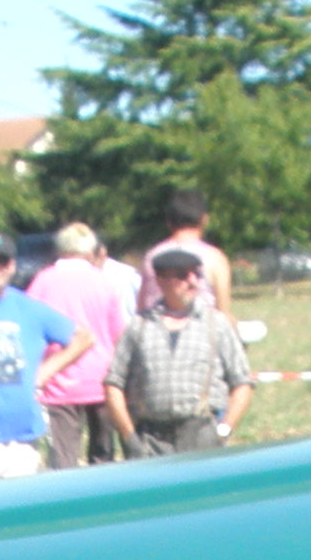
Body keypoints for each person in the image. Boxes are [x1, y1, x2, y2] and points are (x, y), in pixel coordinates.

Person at [0, 229, 87, 485]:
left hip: (21, 442)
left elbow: (83, 338)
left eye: (2, 260)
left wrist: (43, 374)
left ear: (12, 265)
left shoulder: (29, 308)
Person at [106, 248, 253, 455]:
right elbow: (114, 384)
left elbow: (243, 383)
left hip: (201, 434)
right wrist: (130, 437)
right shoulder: (138, 327)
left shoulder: (216, 324)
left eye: (197, 274)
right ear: (161, 280)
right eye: (183, 275)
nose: (193, 282)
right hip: (150, 438)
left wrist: (222, 431)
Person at [27, 222, 131, 467]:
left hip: (59, 381)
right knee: (102, 455)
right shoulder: (104, 282)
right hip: (101, 378)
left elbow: (30, 327)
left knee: (63, 461)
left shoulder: (43, 281)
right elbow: (119, 334)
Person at [140, 192, 235, 316]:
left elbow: (141, 308)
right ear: (204, 219)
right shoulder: (214, 258)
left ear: (169, 221)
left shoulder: (151, 257)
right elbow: (223, 313)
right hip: (201, 331)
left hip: (155, 331)